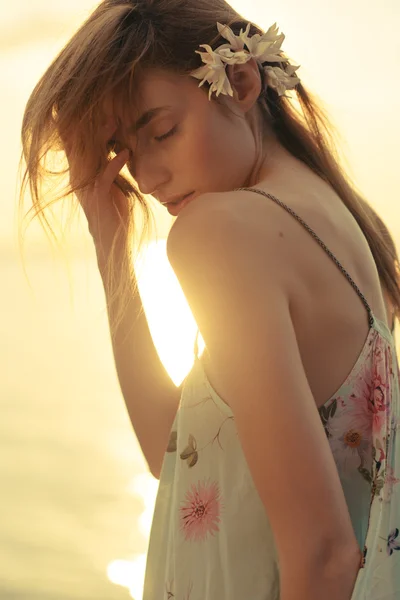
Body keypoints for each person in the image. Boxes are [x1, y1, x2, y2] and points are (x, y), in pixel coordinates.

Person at [18, 1, 400, 599]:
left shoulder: (223, 232)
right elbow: (173, 450)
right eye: (125, 150)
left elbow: (325, 556)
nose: (146, 179)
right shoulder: (343, 219)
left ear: (241, 82)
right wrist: (109, 239)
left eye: (162, 132)